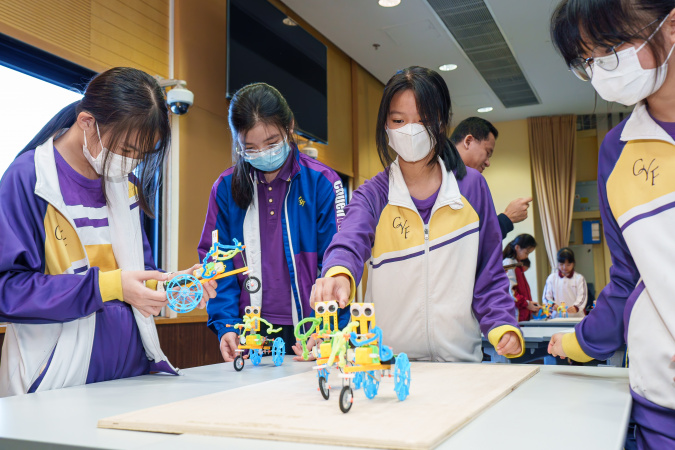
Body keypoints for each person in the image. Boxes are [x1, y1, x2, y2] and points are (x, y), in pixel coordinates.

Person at [0, 67, 216, 397]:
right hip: (57, 384)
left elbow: (138, 275)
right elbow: (8, 291)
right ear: (87, 122)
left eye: (141, 156)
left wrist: (172, 284)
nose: (131, 163)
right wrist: (109, 286)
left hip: (131, 374)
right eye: (127, 150)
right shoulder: (29, 180)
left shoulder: (122, 185)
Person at [308, 66, 524, 362]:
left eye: (423, 121)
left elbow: (489, 273)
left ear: (442, 124)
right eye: (399, 120)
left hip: (460, 365)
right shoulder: (373, 195)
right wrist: (338, 273)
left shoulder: (472, 188)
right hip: (390, 365)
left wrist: (502, 324)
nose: (410, 130)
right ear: (385, 124)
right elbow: (349, 240)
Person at [548, 2, 675, 448]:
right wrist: (578, 343)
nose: (601, 66)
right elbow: (626, 280)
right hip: (662, 402)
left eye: (610, 44)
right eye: (588, 58)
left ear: (671, 23)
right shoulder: (616, 151)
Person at [200, 82, 349, 362]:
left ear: (289, 127)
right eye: (251, 148)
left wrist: (328, 327)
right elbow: (217, 264)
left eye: (271, 143)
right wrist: (226, 325)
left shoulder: (322, 182)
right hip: (251, 329)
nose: (264, 154)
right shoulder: (226, 188)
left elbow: (336, 258)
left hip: (311, 328)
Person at [450, 117, 532, 239]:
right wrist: (507, 218)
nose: (488, 163)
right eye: (487, 153)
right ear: (468, 141)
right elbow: (474, 240)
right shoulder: (470, 179)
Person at [502, 235, 539, 321]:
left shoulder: (516, 264)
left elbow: (521, 289)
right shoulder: (508, 263)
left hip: (522, 312)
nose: (526, 256)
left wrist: (529, 303)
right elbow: (510, 291)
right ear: (517, 247)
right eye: (526, 253)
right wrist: (526, 303)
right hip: (515, 314)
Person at [543, 248, 587, 318]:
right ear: (557, 263)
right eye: (561, 264)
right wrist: (552, 305)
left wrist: (576, 307)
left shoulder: (579, 278)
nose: (564, 267)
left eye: (568, 264)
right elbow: (546, 297)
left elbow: (583, 297)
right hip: (556, 317)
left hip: (576, 317)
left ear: (573, 263)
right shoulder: (552, 278)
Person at [511, 257, 540, 321]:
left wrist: (533, 307)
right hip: (518, 316)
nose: (522, 273)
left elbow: (526, 297)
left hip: (525, 315)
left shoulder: (523, 280)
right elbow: (512, 294)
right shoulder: (510, 265)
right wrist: (526, 303)